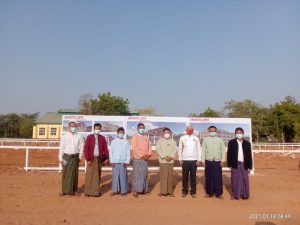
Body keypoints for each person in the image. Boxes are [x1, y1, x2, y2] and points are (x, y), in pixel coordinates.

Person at [59, 121, 84, 196]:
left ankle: (75, 190)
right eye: (72, 126)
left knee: (74, 173)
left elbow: (82, 146)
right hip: (66, 157)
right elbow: (61, 147)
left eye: (74, 126)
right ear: (69, 127)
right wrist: (60, 158)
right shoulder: (65, 136)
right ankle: (64, 190)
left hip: (75, 156)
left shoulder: (79, 136)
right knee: (65, 172)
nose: (73, 128)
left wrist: (80, 156)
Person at [84, 123, 109, 197]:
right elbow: (86, 149)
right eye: (96, 128)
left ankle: (95, 192)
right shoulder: (89, 137)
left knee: (97, 176)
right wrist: (88, 159)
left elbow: (105, 149)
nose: (97, 130)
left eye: (99, 129)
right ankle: (88, 192)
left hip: (99, 159)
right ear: (93, 129)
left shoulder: (102, 138)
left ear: (100, 129)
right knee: (89, 175)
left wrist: (107, 158)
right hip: (91, 159)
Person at [227, 127, 253, 200]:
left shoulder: (247, 143)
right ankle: (235, 195)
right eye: (237, 133)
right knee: (235, 180)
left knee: (245, 180)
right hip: (235, 164)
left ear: (243, 134)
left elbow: (249, 155)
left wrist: (250, 167)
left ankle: (245, 195)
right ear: (235, 134)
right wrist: (229, 165)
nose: (239, 134)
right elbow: (229, 154)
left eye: (240, 133)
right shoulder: (231, 142)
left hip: (244, 164)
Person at [201, 126, 226, 198]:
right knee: (208, 177)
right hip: (208, 160)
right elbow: (203, 151)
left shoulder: (220, 140)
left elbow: (223, 150)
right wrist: (203, 160)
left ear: (216, 131)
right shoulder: (205, 140)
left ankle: (218, 193)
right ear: (209, 131)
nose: (212, 132)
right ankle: (209, 193)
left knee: (218, 177)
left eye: (213, 131)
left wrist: (222, 160)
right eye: (211, 131)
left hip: (217, 161)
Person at [178, 124, 202, 198]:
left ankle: (193, 192)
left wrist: (199, 159)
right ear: (186, 130)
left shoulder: (196, 138)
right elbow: (180, 149)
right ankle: (184, 191)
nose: (190, 130)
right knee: (184, 176)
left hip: (194, 160)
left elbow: (199, 149)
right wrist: (180, 158)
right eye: (188, 129)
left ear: (193, 130)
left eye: (191, 129)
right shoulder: (182, 138)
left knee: (193, 177)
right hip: (185, 160)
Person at [131, 123, 152, 198]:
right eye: (140, 128)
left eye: (143, 128)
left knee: (144, 175)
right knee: (136, 175)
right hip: (138, 159)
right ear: (137, 128)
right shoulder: (134, 137)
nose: (142, 129)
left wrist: (148, 154)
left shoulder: (146, 137)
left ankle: (144, 189)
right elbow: (135, 148)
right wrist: (142, 156)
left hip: (145, 159)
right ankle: (135, 191)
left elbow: (150, 146)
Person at [156, 127, 178, 197]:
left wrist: (171, 156)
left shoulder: (173, 141)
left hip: (170, 161)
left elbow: (175, 150)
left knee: (170, 177)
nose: (167, 134)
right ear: (163, 133)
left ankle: (170, 192)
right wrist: (164, 157)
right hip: (163, 161)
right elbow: (158, 149)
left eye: (168, 132)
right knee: (163, 177)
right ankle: (163, 192)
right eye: (165, 133)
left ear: (170, 133)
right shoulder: (159, 141)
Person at [109, 127, 131, 196]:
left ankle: (123, 191)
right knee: (115, 177)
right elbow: (111, 152)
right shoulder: (113, 141)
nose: (121, 134)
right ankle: (115, 190)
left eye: (122, 132)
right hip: (115, 162)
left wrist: (127, 161)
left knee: (123, 177)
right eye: (119, 133)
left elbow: (128, 152)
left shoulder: (126, 142)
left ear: (124, 133)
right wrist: (112, 161)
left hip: (123, 162)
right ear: (117, 133)